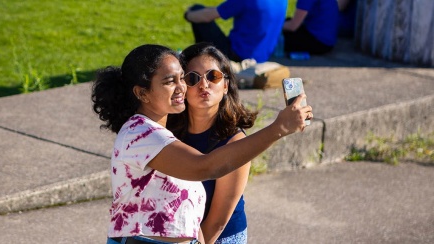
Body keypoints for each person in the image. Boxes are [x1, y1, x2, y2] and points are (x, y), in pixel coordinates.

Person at [92, 44, 312, 244]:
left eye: (181, 78)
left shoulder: (158, 132)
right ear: (142, 93)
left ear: (226, 85)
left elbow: (189, 209)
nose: (182, 87)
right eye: (174, 81)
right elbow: (203, 167)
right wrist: (278, 129)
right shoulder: (143, 134)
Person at [168, 43, 255, 244]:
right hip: (178, 233)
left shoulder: (235, 141)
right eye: (192, 78)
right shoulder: (168, 132)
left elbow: (217, 222)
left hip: (220, 236)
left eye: (213, 76)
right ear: (182, 87)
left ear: (225, 85)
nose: (204, 85)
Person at [183, 0, 288, 63]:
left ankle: (199, 61)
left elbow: (207, 17)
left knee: (197, 9)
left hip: (237, 56)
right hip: (263, 57)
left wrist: (188, 15)